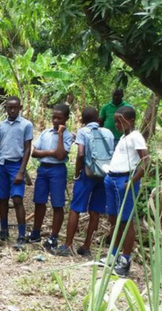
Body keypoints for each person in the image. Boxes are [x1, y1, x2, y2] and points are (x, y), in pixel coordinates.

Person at [51, 107, 114, 257]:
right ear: (98, 118)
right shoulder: (108, 133)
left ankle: (68, 245)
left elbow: (80, 154)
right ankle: (86, 246)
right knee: (95, 211)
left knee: (76, 209)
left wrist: (78, 172)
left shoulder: (83, 132)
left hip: (87, 174)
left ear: (82, 120)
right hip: (104, 174)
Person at [104, 106, 149, 277]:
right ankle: (113, 255)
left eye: (120, 120)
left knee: (126, 221)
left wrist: (132, 181)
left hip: (124, 181)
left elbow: (146, 160)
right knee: (114, 219)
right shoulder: (124, 137)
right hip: (112, 179)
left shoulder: (136, 137)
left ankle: (125, 259)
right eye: (115, 121)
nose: (117, 124)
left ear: (130, 120)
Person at [0, 97, 33, 248]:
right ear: (5, 108)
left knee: (17, 199)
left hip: (16, 165)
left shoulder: (26, 125)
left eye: (15, 108)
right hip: (2, 165)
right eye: (9, 108)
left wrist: (21, 171)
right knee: (3, 199)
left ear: (20, 107)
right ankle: (3, 230)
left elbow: (27, 149)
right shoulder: (2, 125)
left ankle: (21, 235)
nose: (12, 111)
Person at [28, 104, 73, 249]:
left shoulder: (67, 136)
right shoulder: (45, 133)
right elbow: (34, 153)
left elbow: (60, 155)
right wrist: (51, 152)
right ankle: (36, 233)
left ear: (66, 119)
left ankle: (53, 237)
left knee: (57, 204)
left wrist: (60, 134)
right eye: (54, 117)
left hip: (57, 171)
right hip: (43, 169)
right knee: (39, 202)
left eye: (59, 118)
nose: (55, 120)